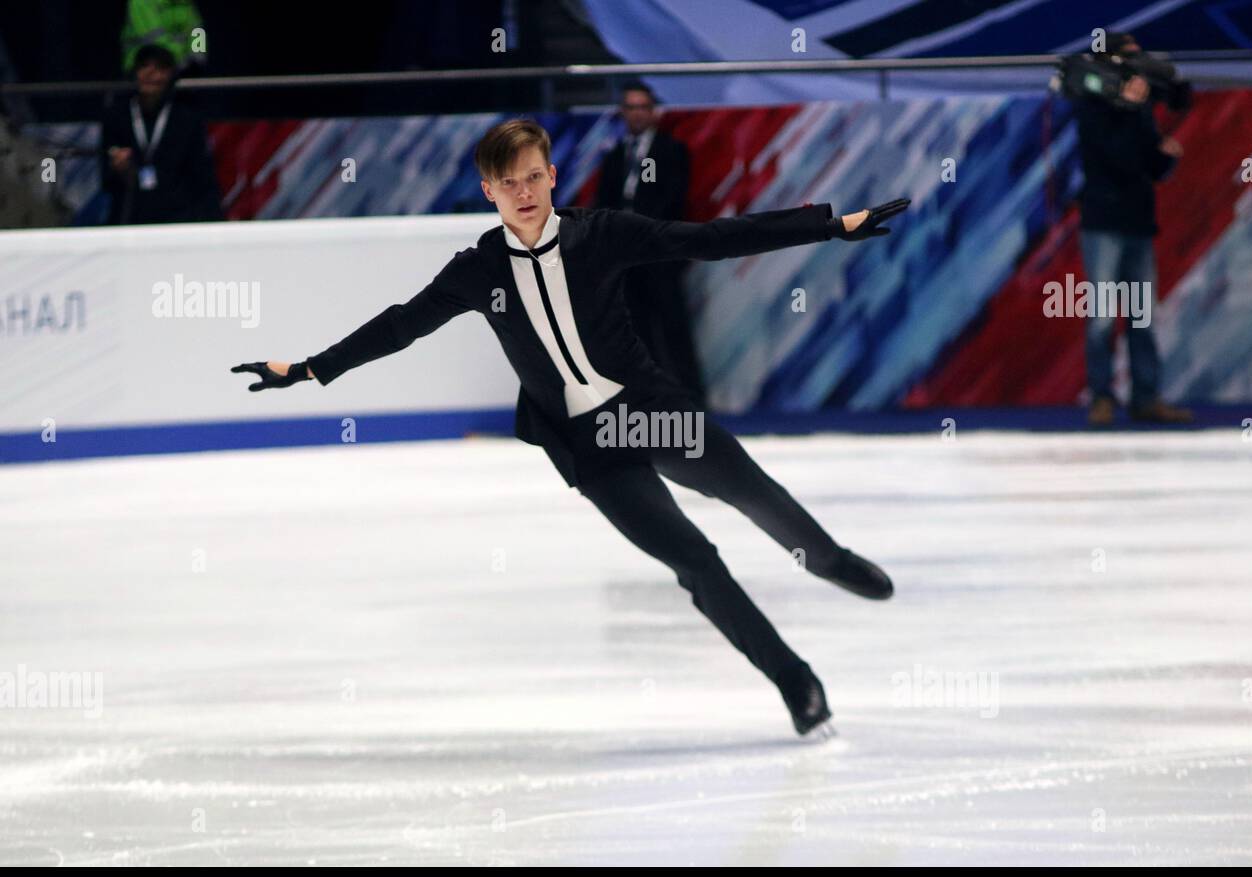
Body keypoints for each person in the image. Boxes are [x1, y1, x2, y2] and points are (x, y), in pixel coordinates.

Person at [232, 119, 909, 737]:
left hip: (653, 415)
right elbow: (402, 324)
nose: (523, 192)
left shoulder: (602, 234)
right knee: (696, 563)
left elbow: (708, 241)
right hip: (591, 446)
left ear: (551, 177)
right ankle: (796, 682)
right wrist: (312, 369)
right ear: (488, 190)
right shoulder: (478, 272)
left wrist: (828, 226)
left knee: (752, 491)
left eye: (533, 176)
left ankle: (829, 560)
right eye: (508, 182)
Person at [1074, 33, 1193, 426]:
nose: (1137, 65)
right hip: (1104, 224)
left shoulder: (1140, 106)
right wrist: (1127, 108)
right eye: (1129, 58)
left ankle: (1146, 397)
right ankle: (1102, 398)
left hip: (1138, 222)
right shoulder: (1093, 102)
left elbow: (1149, 163)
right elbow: (1112, 158)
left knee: (1141, 317)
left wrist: (1167, 158)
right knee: (1104, 317)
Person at [595, 82, 703, 401]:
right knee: (637, 332)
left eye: (643, 107)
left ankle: (693, 400)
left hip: (661, 255)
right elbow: (605, 203)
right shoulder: (615, 156)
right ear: (623, 112)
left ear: (654, 111)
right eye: (631, 107)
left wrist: (644, 234)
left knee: (674, 329)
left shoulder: (671, 151)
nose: (637, 114)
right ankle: (653, 399)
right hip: (626, 260)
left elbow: (673, 201)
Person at [100, 43, 222, 226]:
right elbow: (106, 179)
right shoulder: (117, 117)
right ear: (135, 72)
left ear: (171, 74)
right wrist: (120, 169)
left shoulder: (187, 120)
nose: (150, 74)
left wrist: (214, 224)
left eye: (159, 68)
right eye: (144, 67)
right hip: (129, 216)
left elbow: (202, 178)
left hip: (177, 218)